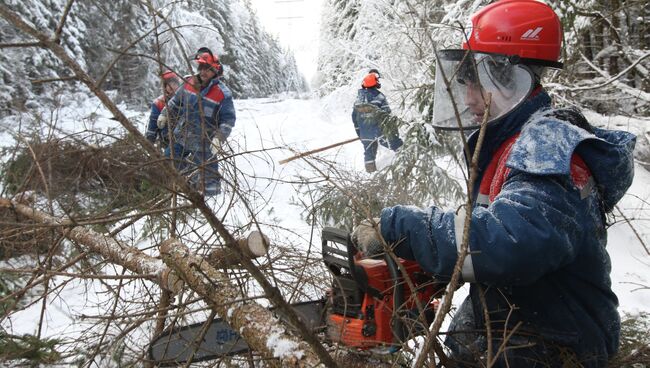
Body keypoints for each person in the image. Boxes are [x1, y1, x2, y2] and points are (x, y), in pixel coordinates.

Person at [353, 0, 636, 367]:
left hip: (552, 346)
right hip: (520, 328)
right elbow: (501, 224)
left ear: (508, 79)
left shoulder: (546, 144)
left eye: (474, 83)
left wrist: (400, 226)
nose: (467, 98)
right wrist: (430, 260)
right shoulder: (514, 139)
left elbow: (513, 243)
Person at [159, 47, 235, 196]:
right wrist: (164, 114)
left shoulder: (222, 94)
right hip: (183, 134)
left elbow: (228, 120)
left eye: (208, 68)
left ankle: (211, 204)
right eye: (202, 67)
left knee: (210, 176)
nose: (204, 71)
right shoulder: (189, 83)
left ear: (215, 71)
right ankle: (187, 186)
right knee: (169, 160)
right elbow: (175, 102)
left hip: (204, 141)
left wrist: (219, 138)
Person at [351, 69, 403, 173]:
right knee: (396, 145)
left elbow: (354, 118)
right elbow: (387, 114)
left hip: (365, 133)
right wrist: (392, 130)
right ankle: (406, 159)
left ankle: (370, 173)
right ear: (376, 84)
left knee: (369, 153)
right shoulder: (380, 97)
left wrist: (360, 133)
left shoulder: (358, 100)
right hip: (380, 131)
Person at [145, 70, 181, 148]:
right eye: (168, 85)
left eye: (174, 84)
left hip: (183, 138)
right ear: (164, 87)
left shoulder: (185, 99)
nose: (172, 87)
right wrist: (150, 140)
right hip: (166, 139)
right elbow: (153, 123)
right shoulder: (159, 103)